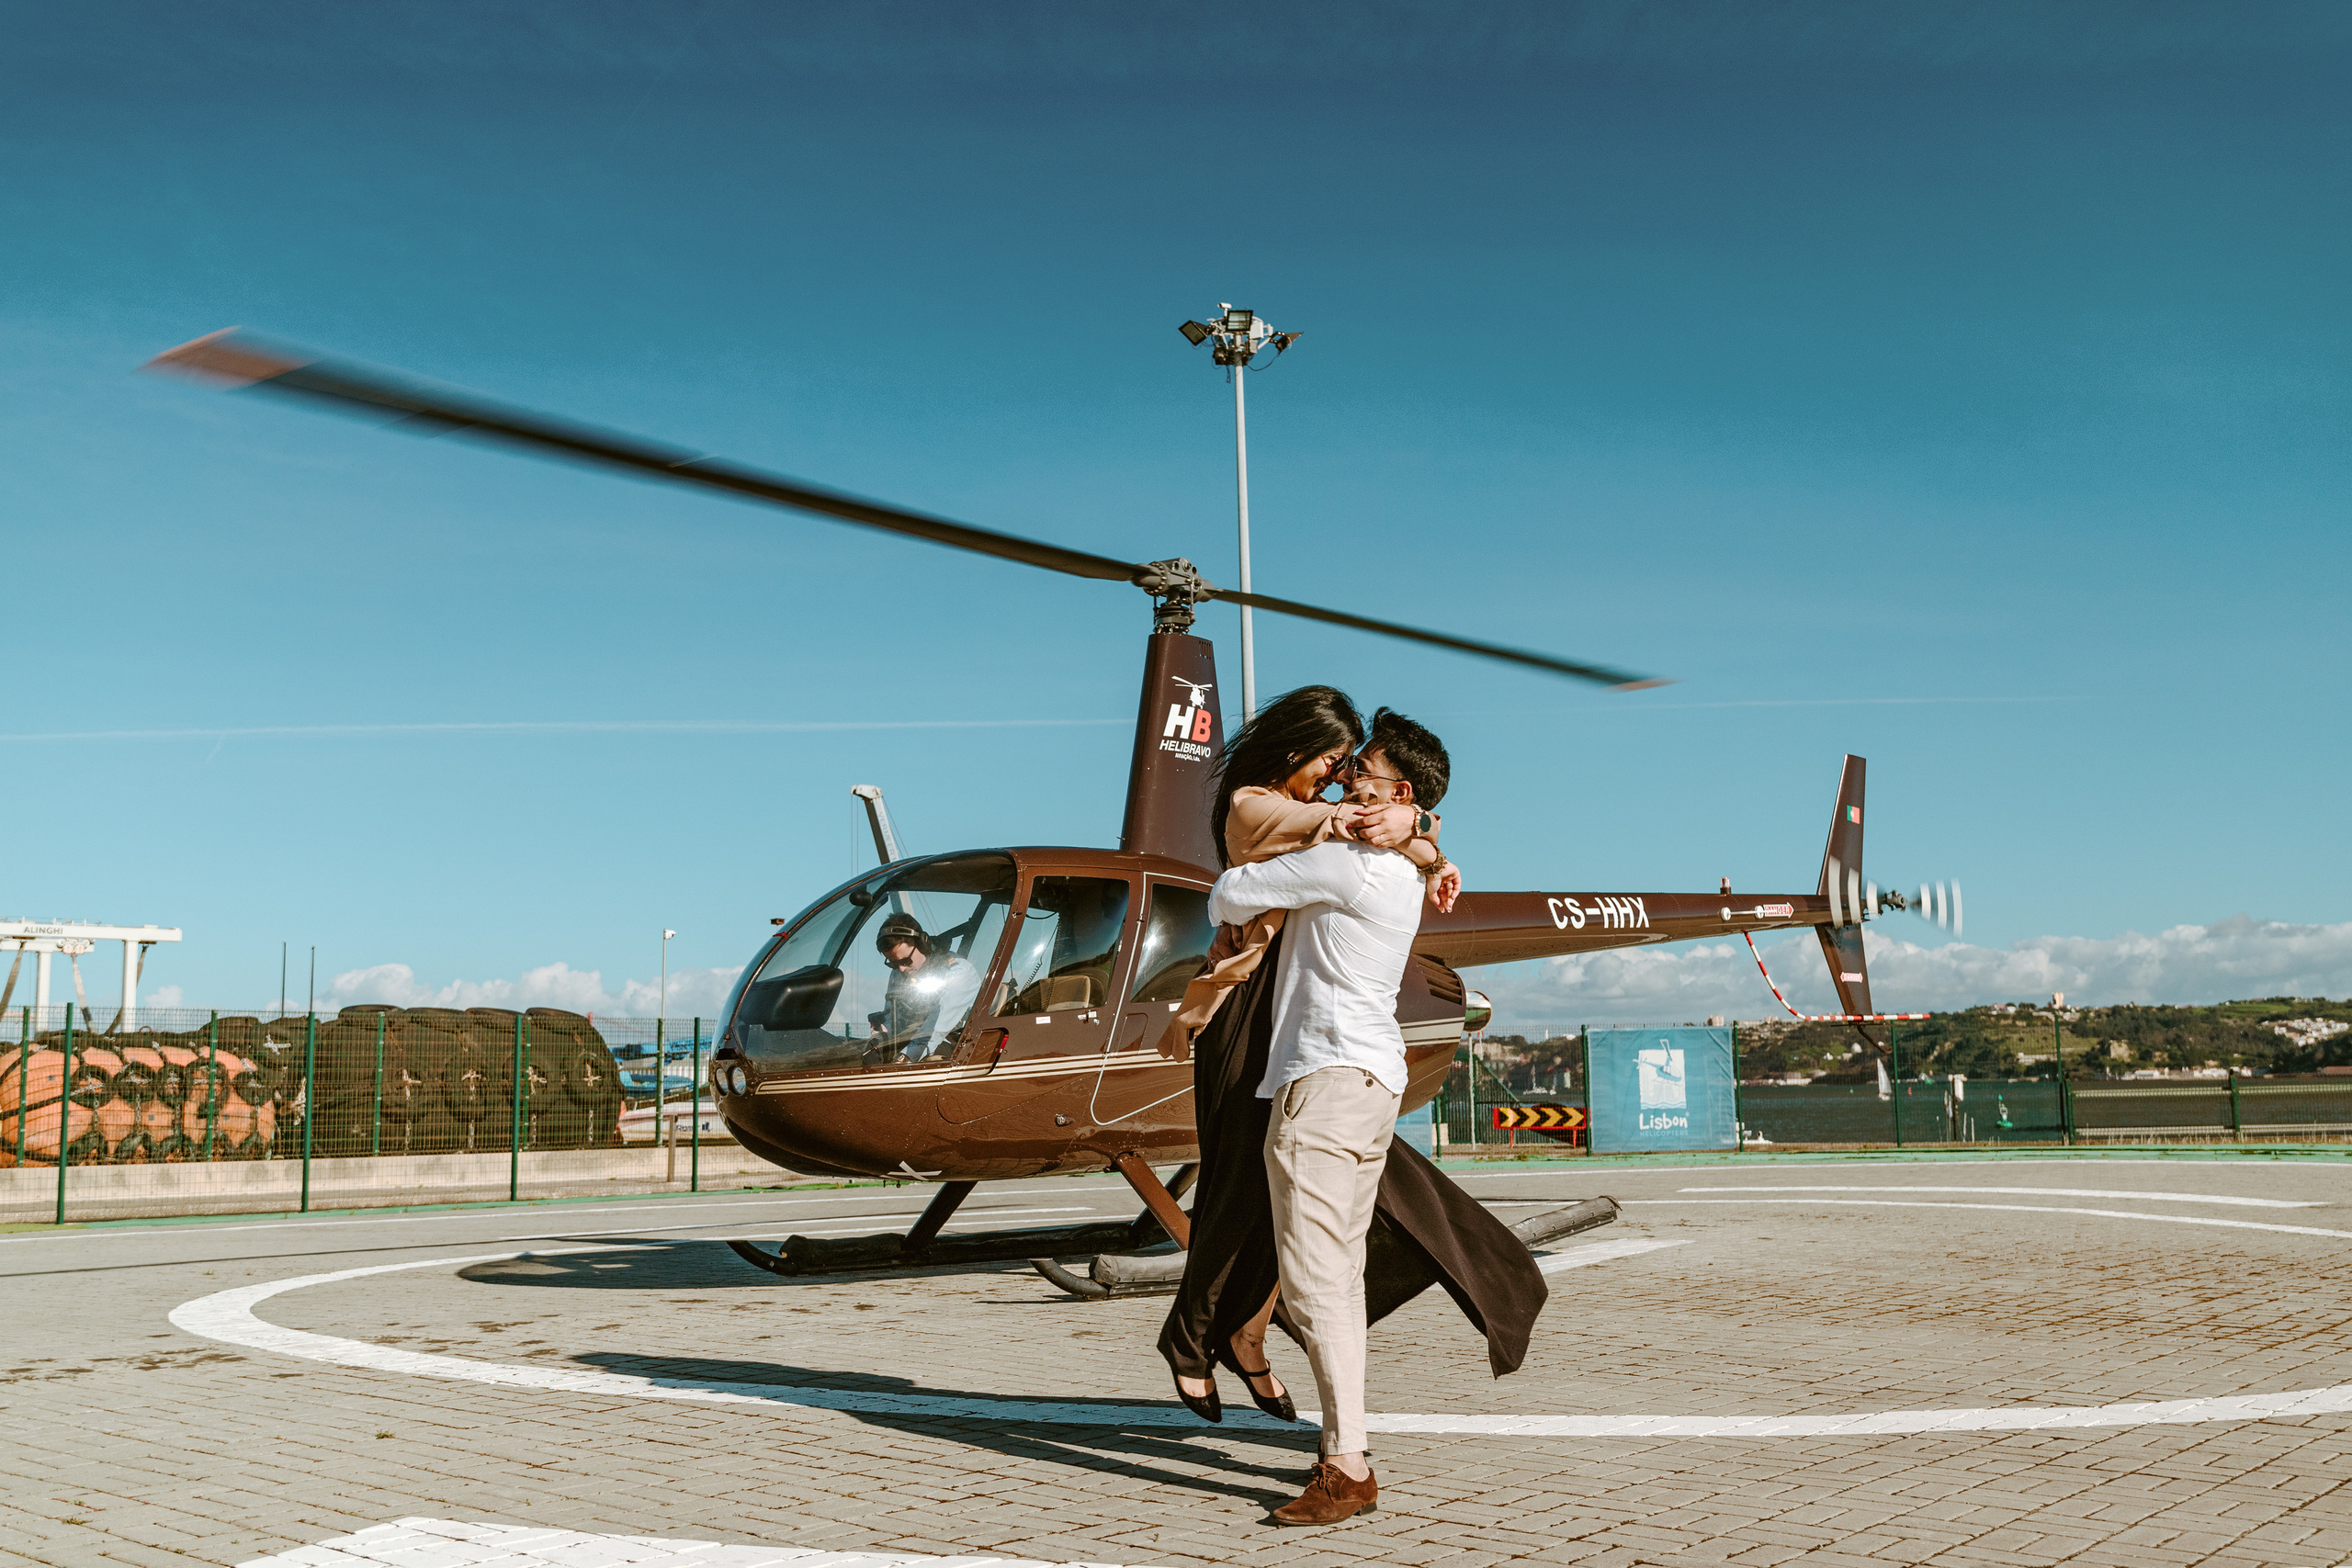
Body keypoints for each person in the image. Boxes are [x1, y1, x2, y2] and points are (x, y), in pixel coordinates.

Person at [1157, 694, 1545, 1528]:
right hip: (1375, 1081)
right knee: (1328, 1270)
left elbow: (1228, 891)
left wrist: (1369, 836)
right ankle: (1326, 1429)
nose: (1347, 789)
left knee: (1319, 1280)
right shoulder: (1396, 866)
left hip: (1323, 1083)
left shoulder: (1346, 863)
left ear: (1402, 795)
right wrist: (1419, 840)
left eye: (1363, 779)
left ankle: (1346, 1463)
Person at [867, 913, 978, 1063]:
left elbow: (934, 1031)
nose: (900, 969)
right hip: (912, 1041)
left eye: (905, 961)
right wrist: (881, 1035)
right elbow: (894, 1014)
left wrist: (903, 1059)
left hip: (955, 1047)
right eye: (893, 963)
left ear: (922, 945)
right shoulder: (900, 971)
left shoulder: (956, 973)